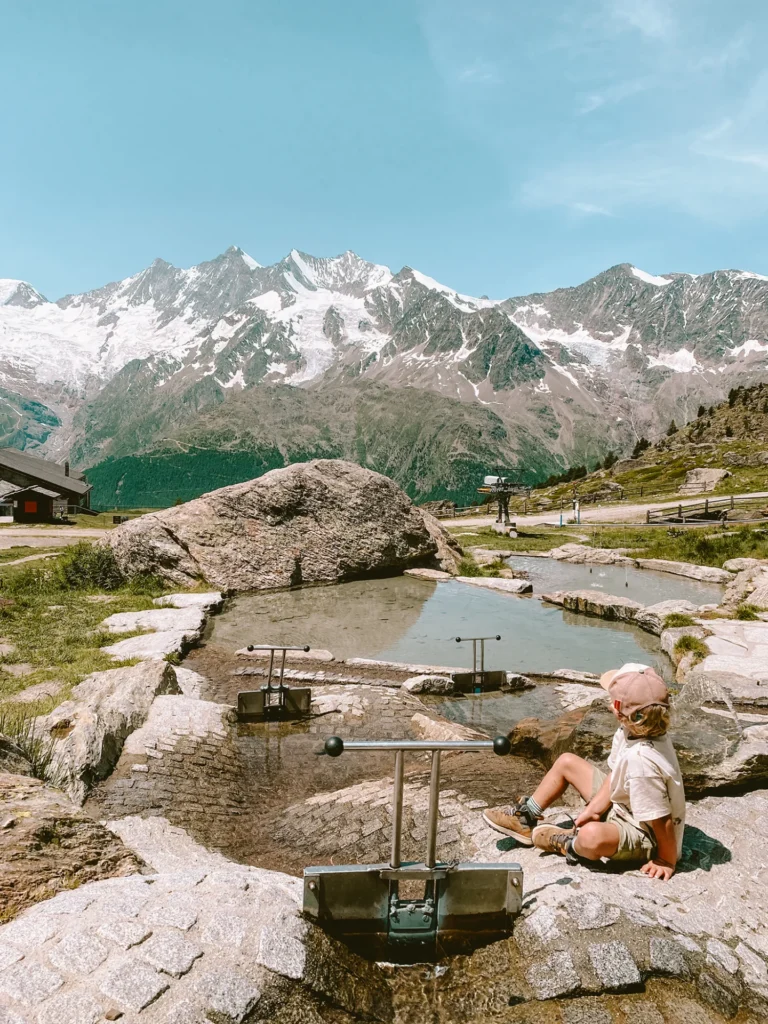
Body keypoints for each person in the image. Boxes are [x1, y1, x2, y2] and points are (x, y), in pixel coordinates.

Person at [482, 664, 685, 881]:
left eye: (611, 698)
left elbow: (660, 818)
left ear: (619, 710)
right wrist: (596, 810)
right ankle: (525, 817)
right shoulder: (629, 731)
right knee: (566, 762)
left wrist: (666, 859)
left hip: (645, 833)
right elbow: (615, 775)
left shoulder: (642, 762)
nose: (608, 701)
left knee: (591, 836)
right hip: (624, 806)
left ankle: (570, 844)